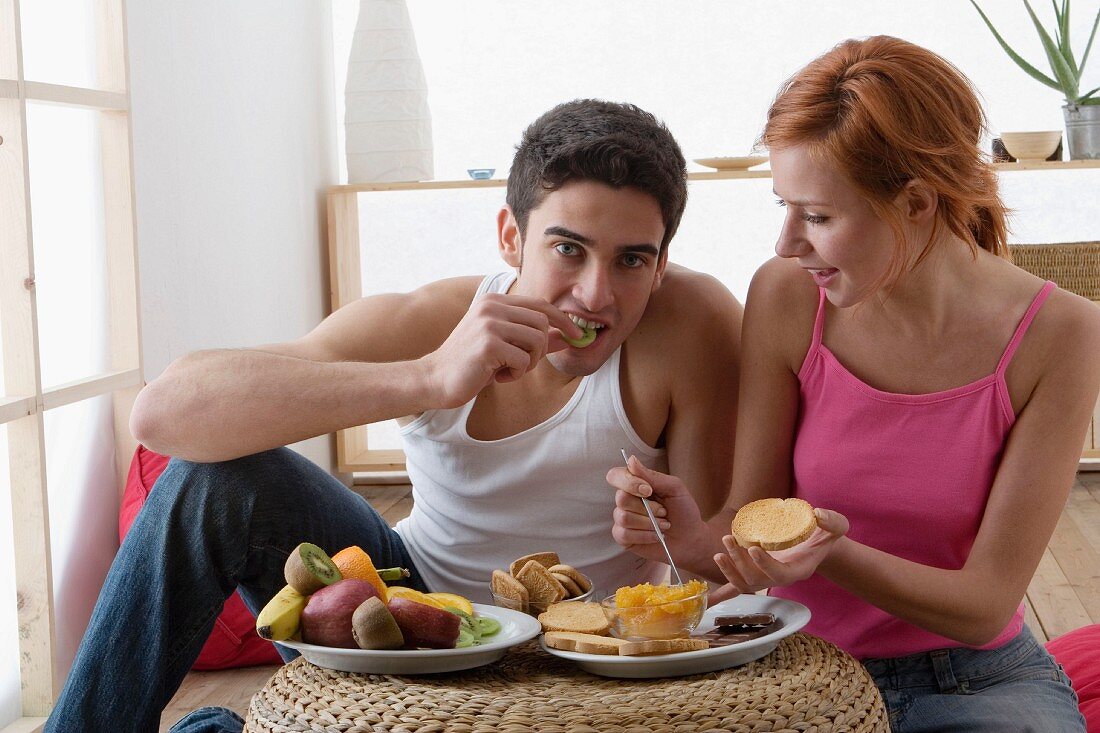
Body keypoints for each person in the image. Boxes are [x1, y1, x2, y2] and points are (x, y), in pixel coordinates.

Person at [45, 99, 742, 732]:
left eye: (630, 260)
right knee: (217, 486)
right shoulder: (433, 320)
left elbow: (710, 561)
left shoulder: (690, 325)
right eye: (568, 248)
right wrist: (428, 376)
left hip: (586, 654)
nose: (596, 295)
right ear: (509, 236)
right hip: (402, 615)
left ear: (660, 264)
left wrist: (678, 556)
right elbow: (162, 414)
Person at [609, 37, 1099, 732]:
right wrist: (689, 534)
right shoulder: (786, 297)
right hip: (793, 664)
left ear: (918, 202)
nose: (786, 242)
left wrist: (831, 551)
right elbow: (751, 522)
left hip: (973, 682)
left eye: (817, 215)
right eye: (784, 205)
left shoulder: (1063, 334)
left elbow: (986, 603)